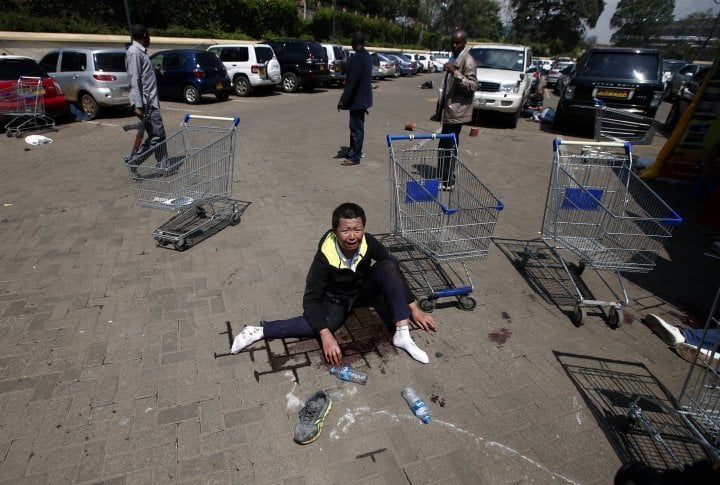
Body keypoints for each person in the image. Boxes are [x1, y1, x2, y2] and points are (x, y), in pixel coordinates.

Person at [231, 203, 437, 365]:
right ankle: (258, 331)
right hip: (337, 299)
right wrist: (325, 334)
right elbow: (310, 300)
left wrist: (414, 308)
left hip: (362, 290)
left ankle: (402, 334)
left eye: (357, 229)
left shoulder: (368, 242)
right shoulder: (324, 257)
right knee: (323, 324)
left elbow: (392, 267)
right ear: (335, 231)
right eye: (346, 230)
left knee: (389, 266)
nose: (352, 236)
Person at [433, 29, 478, 190]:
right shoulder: (454, 57)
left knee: (449, 146)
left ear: (465, 43)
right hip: (449, 110)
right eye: (452, 42)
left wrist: (455, 72)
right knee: (444, 145)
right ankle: (444, 178)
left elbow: (472, 85)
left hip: (457, 112)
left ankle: (447, 181)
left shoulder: (468, 60)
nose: (454, 45)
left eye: (457, 42)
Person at [125, 23, 167, 168]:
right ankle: (135, 160)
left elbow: (142, 75)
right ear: (145, 35)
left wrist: (154, 70)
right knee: (157, 135)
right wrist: (138, 105)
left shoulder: (140, 52)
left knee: (158, 134)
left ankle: (163, 166)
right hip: (146, 104)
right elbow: (134, 79)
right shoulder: (134, 52)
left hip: (150, 101)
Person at [337, 32, 373, 166]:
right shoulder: (367, 56)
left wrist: (342, 100)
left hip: (358, 100)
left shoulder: (358, 57)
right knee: (354, 128)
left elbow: (352, 81)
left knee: (356, 129)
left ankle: (355, 157)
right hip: (362, 100)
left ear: (355, 42)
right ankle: (353, 151)